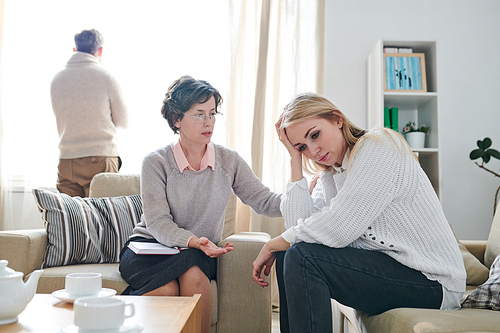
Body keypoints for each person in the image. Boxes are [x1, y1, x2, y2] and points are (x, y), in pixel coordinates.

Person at [252, 93, 466, 332]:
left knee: (301, 256)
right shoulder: (330, 175)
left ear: (337, 119)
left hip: (432, 280)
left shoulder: (378, 145)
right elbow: (296, 228)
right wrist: (294, 160)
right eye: (303, 147)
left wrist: (273, 243)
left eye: (315, 135)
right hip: (394, 270)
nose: (313, 150)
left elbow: (341, 226)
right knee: (289, 253)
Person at [119, 75, 282, 333]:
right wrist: (194, 240)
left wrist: (303, 197)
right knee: (166, 290)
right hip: (149, 248)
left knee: (194, 273)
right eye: (199, 115)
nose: (208, 122)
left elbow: (264, 201)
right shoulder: (156, 162)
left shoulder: (229, 161)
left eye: (212, 114)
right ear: (177, 119)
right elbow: (158, 222)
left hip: (198, 253)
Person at [50, 29, 128, 197]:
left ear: (75, 50)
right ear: (99, 51)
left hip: (67, 159)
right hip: (100, 158)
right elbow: (123, 121)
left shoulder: (57, 80)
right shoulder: (106, 77)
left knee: (72, 219)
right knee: (103, 218)